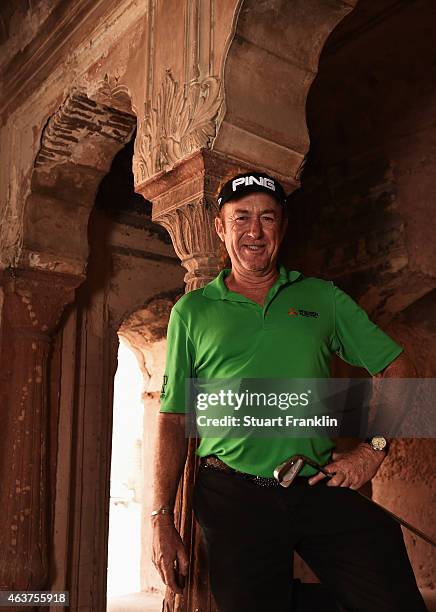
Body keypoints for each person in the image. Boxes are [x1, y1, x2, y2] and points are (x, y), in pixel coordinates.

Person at [151, 171, 427, 612]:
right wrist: (161, 516)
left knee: (390, 591)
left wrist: (373, 449)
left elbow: (397, 366)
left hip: (313, 481)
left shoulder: (322, 298)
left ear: (282, 226)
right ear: (221, 228)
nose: (255, 231)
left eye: (267, 218)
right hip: (232, 495)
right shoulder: (192, 311)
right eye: (241, 218)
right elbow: (173, 417)